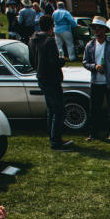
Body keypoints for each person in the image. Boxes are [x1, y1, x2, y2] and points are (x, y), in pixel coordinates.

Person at [29, 15, 72, 151]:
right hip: (51, 79)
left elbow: (31, 61)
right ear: (51, 26)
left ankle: (53, 137)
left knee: (51, 110)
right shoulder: (49, 41)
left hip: (41, 78)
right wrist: (62, 60)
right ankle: (56, 141)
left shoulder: (32, 40)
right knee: (59, 111)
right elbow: (54, 62)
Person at [82, 16, 110, 142]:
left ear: (104, 30)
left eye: (99, 28)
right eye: (95, 28)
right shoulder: (90, 45)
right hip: (96, 82)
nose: (96, 31)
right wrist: (94, 66)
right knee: (94, 109)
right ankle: (94, 134)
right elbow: (85, 62)